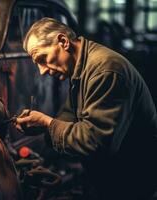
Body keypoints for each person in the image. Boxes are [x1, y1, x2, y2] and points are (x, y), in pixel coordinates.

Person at [15, 17, 157, 200]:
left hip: (133, 179)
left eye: (43, 59)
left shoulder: (105, 70)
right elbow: (69, 116)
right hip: (113, 176)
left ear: (63, 42)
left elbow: (94, 142)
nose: (42, 71)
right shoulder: (81, 70)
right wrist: (43, 125)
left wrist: (48, 124)